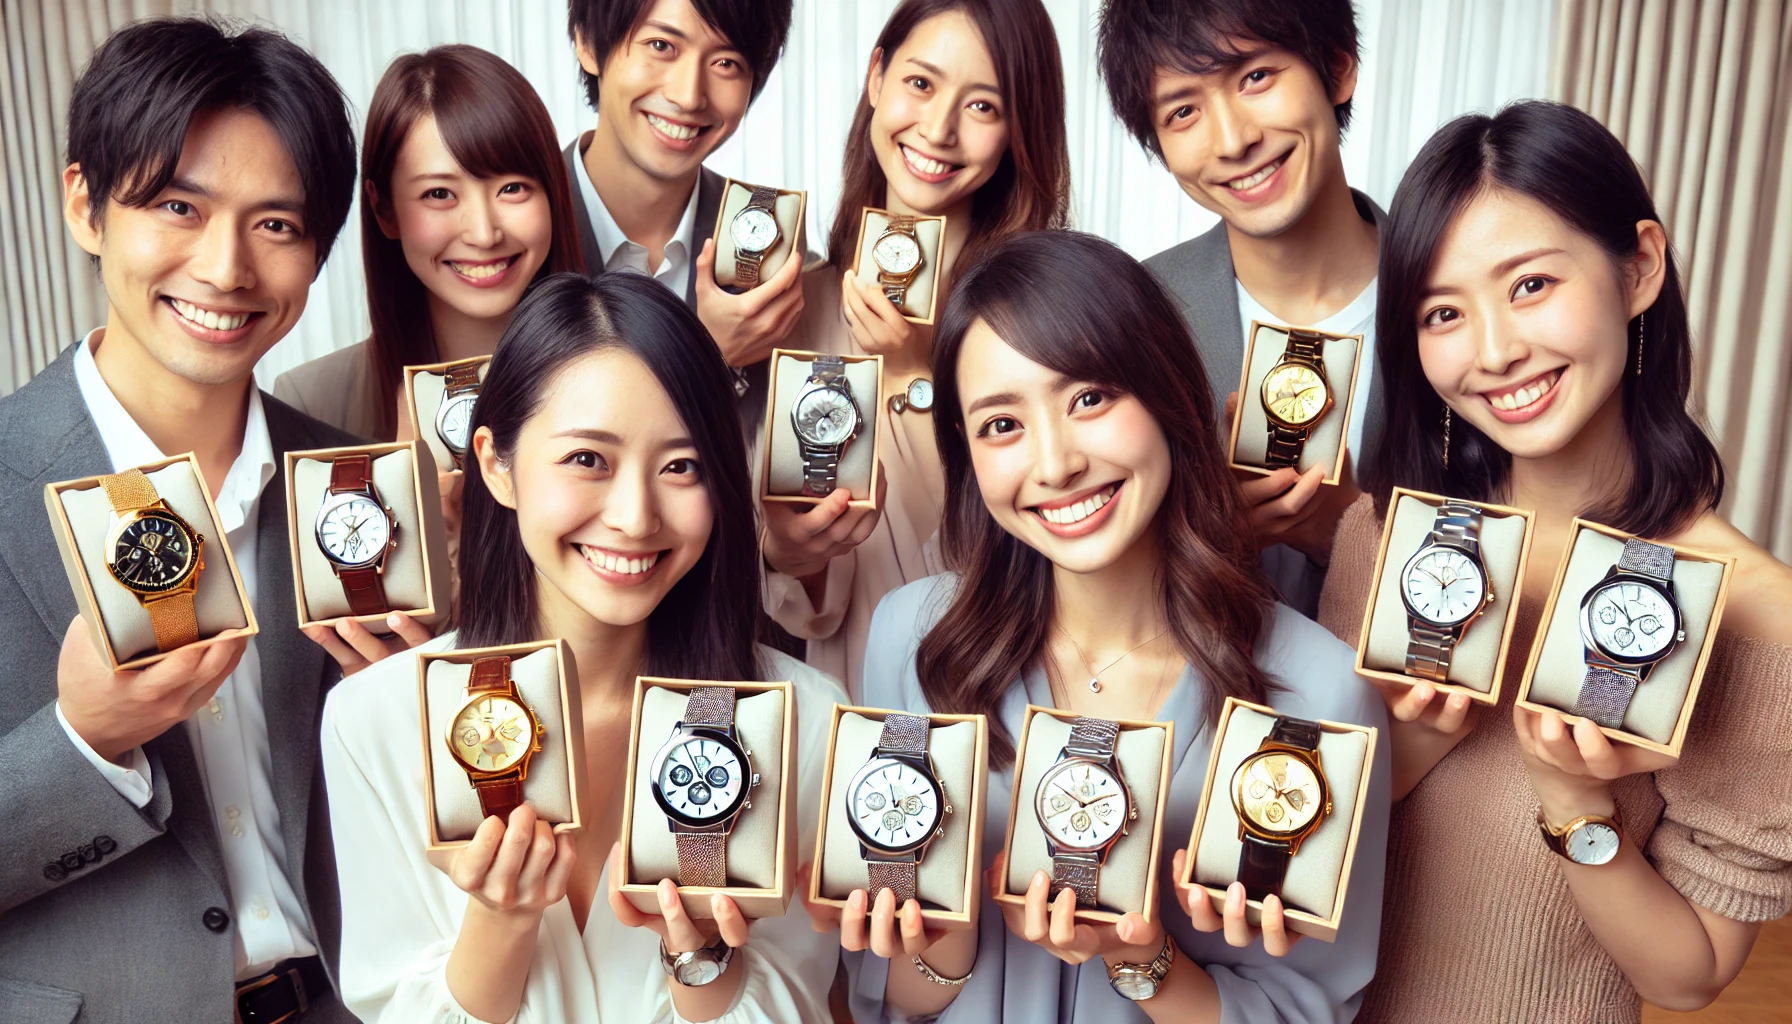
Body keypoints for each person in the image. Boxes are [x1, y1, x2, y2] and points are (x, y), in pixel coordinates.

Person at [808, 231, 1389, 1023]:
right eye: (1001, 426)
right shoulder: (910, 640)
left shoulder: (1318, 688)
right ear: (968, 457)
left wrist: (1140, 958)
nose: (1055, 465)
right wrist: (941, 939)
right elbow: (889, 999)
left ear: (1166, 395)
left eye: (1088, 398)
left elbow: (1307, 1009)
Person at [1317, 100, 1792, 1020]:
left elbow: (1686, 975)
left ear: (1640, 268)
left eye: (1530, 284)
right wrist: (1418, 739)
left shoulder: (1756, 614)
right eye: (1443, 311)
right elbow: (1313, 832)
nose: (1494, 352)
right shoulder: (1385, 536)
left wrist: (1575, 804)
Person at [320, 272, 846, 1023]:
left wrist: (699, 960)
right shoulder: (374, 719)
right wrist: (501, 920)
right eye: (588, 460)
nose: (634, 517)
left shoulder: (803, 719)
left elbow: (800, 1006)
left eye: (682, 466)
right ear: (496, 465)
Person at [0, 17, 361, 1023]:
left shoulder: (355, 490)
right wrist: (82, 739)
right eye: (176, 204)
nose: (226, 267)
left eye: (277, 224)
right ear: (85, 205)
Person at [760, 0, 1071, 697]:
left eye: (984, 106)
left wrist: (913, 374)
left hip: (1013, 692)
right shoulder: (794, 306)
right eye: (921, 84)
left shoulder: (1050, 310)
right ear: (877, 78)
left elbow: (1024, 548)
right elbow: (805, 600)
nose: (938, 129)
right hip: (852, 695)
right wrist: (789, 553)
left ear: (1020, 129)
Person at [1098, 0, 1380, 619]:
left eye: (1255, 76)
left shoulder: (1456, 299)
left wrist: (1352, 533)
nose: (1233, 140)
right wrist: (1204, 537)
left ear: (1337, 69)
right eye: (1183, 111)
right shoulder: (1134, 317)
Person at [274, 44, 584, 442]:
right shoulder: (316, 402)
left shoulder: (629, 370)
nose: (484, 233)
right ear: (384, 209)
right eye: (439, 194)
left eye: (512, 188)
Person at [565, 0, 803, 439]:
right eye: (661, 45)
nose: (688, 95)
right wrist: (711, 359)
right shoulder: (503, 240)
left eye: (727, 62)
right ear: (586, 41)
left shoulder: (779, 259)